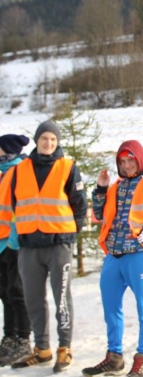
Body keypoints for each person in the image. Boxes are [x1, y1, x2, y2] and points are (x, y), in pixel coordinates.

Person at [2, 120, 87, 373]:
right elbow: (6, 206)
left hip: (58, 244)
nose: (48, 143)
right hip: (28, 246)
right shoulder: (19, 170)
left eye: (52, 139)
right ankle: (42, 349)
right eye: (44, 139)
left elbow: (80, 205)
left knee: (62, 298)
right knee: (32, 300)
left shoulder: (68, 167)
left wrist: (72, 234)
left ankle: (64, 347)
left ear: (57, 141)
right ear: (37, 141)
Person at [82, 140, 143, 377]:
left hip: (138, 256)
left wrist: (141, 238)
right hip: (113, 255)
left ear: (139, 159)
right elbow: (100, 215)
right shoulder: (115, 186)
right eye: (123, 161)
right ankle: (114, 356)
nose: (127, 164)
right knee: (111, 309)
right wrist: (100, 189)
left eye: (131, 160)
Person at [0, 134, 32, 367]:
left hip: (16, 242)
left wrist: (14, 241)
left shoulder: (20, 171)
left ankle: (23, 340)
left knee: (17, 292)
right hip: (2, 243)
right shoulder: (4, 172)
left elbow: (21, 208)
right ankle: (9, 336)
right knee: (5, 292)